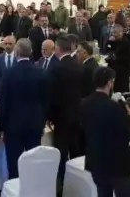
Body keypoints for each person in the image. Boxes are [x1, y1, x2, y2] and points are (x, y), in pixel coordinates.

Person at [80, 66, 130, 197]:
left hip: (96, 161)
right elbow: (126, 134)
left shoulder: (84, 103)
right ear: (109, 83)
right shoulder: (114, 107)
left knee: (103, 193)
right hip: (117, 164)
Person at [0, 38, 48, 180]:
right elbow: (45, 101)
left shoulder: (9, 74)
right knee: (33, 162)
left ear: (16, 52)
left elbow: (3, 102)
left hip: (13, 126)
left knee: (14, 164)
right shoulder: (41, 72)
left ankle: (14, 187)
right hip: (34, 124)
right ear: (31, 52)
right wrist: (42, 122)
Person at [46, 36, 83, 189]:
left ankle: (63, 185)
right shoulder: (79, 66)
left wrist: (49, 116)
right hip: (77, 115)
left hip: (61, 118)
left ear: (58, 49)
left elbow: (52, 95)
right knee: (75, 152)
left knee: (61, 153)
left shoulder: (56, 68)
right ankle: (77, 185)